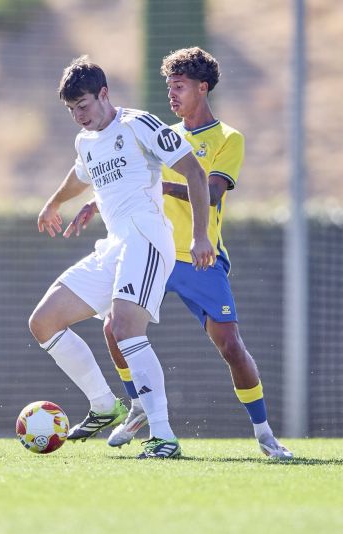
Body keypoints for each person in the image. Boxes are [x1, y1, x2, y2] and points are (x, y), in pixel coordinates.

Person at [72, 47, 292, 459]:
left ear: (202, 88)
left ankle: (264, 433)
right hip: (150, 249)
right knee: (113, 328)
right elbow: (121, 182)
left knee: (230, 345)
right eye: (168, 87)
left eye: (179, 86)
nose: (171, 94)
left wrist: (166, 196)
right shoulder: (157, 132)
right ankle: (138, 406)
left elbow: (209, 191)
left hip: (197, 256)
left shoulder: (228, 138)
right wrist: (93, 202)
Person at [29, 56, 213, 459]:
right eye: (71, 109)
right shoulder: (85, 140)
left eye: (84, 105)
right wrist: (53, 203)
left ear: (104, 94)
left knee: (126, 328)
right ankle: (103, 405)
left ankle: (163, 436)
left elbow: (195, 173)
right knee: (43, 322)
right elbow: (81, 174)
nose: (79, 115)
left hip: (146, 239)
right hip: (113, 246)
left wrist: (200, 236)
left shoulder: (138, 124)